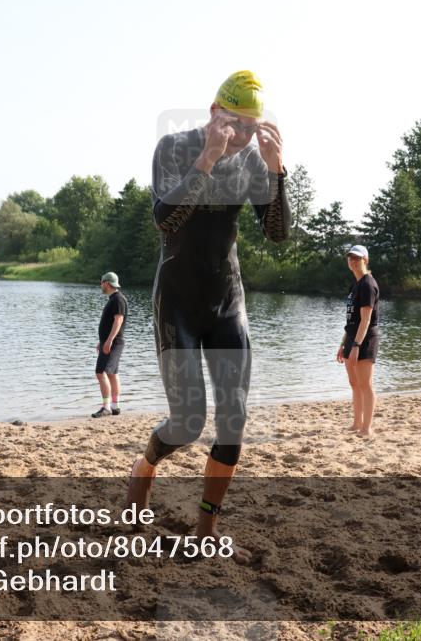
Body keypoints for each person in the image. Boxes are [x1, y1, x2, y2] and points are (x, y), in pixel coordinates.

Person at [126, 70, 290, 564]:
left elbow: (278, 233)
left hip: (227, 302)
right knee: (187, 422)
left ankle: (205, 531)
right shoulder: (174, 148)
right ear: (215, 112)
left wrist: (279, 171)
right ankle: (144, 467)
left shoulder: (252, 162)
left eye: (251, 127)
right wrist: (207, 160)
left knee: (233, 422)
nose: (241, 136)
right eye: (235, 123)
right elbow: (165, 220)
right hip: (177, 300)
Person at [336, 245, 380, 437]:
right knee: (354, 383)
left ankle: (366, 428)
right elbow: (351, 321)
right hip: (352, 337)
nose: (353, 261)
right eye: (350, 258)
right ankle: (357, 423)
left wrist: (356, 345)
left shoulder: (368, 285)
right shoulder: (355, 285)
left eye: (357, 258)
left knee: (365, 384)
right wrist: (343, 344)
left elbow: (366, 320)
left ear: (366, 260)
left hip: (365, 338)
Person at [91, 272, 127, 418]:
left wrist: (109, 340)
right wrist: (103, 340)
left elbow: (118, 321)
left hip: (114, 342)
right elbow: (109, 323)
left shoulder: (118, 299)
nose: (101, 285)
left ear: (107, 283)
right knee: (112, 373)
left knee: (101, 372)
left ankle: (106, 407)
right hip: (111, 342)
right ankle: (115, 406)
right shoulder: (114, 299)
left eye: (101, 282)